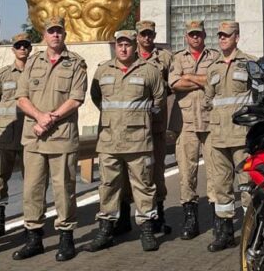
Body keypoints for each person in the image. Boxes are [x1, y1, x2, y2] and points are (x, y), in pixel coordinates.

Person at [13, 15, 88, 262]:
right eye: (51, 31)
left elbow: (76, 98)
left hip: (61, 136)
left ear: (64, 35)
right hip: (33, 138)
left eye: (59, 31)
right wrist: (38, 116)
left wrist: (50, 118)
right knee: (32, 189)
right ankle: (33, 238)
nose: (55, 35)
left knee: (64, 188)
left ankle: (66, 238)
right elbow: (21, 97)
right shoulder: (32, 63)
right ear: (44, 36)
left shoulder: (76, 63)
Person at [86, 30, 166, 253]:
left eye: (128, 45)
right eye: (119, 44)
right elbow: (96, 97)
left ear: (135, 46)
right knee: (109, 186)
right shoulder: (102, 70)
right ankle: (105, 230)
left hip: (138, 141)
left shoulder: (149, 70)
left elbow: (159, 99)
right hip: (109, 140)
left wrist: (142, 120)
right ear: (115, 46)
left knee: (143, 186)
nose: (123, 49)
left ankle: (147, 229)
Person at [203, 21, 256, 252]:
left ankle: (252, 231)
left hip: (241, 135)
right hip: (218, 136)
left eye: (227, 35)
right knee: (221, 186)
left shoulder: (249, 63)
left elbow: (258, 95)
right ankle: (224, 233)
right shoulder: (213, 67)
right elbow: (208, 99)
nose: (222, 39)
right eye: (220, 36)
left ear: (237, 37)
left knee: (246, 185)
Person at [168, 19, 220, 239]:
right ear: (186, 37)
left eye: (198, 34)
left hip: (210, 121)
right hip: (185, 123)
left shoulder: (215, 57)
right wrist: (202, 80)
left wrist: (188, 77)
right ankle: (190, 218)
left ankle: (218, 217)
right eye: (191, 34)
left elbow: (216, 81)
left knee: (216, 172)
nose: (195, 38)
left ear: (204, 35)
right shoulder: (178, 58)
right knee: (187, 173)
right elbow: (174, 83)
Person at [0, 33, 32, 239]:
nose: (22, 49)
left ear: (30, 49)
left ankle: (31, 221)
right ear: (13, 49)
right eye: (18, 46)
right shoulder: (3, 75)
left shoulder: (36, 73)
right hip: (6, 137)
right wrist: (6, 119)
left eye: (25, 46)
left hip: (30, 136)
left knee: (32, 181)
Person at [137, 19, 173, 234]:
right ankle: (125, 216)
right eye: (143, 34)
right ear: (137, 36)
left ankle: (158, 215)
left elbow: (174, 83)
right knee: (132, 174)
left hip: (156, 125)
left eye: (150, 34)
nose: (147, 38)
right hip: (132, 127)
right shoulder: (128, 55)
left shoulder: (165, 58)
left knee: (157, 171)